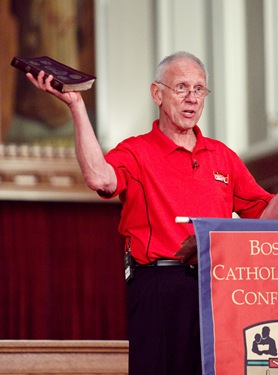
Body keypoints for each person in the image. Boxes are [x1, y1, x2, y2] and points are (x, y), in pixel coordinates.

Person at [26, 51, 278, 375]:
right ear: (157, 93)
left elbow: (266, 218)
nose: (192, 98)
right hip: (159, 284)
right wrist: (77, 107)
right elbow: (100, 178)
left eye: (199, 89)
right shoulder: (136, 151)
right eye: (181, 88)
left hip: (214, 287)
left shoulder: (222, 156)